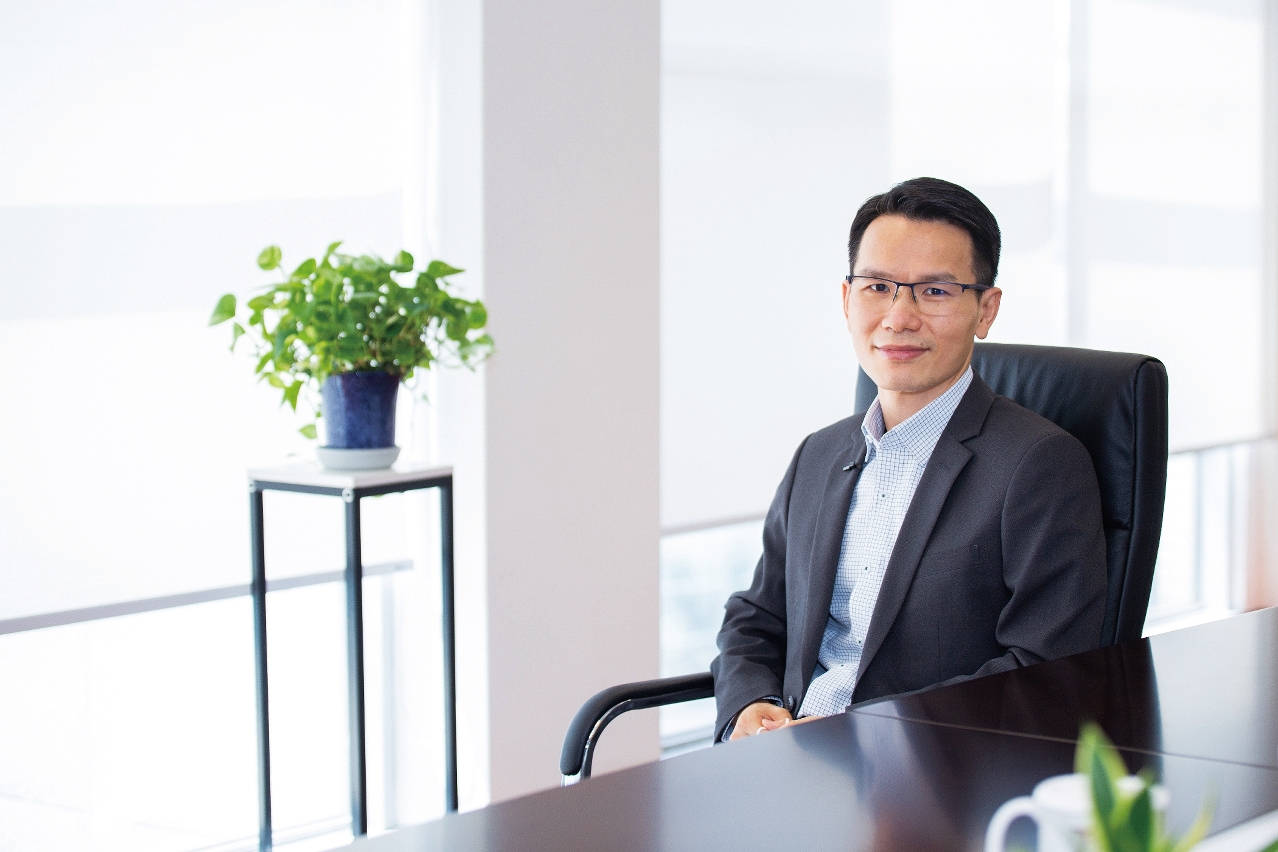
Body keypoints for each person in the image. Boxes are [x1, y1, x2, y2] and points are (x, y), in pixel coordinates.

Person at [711, 177, 1107, 743]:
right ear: (847, 300)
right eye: (878, 287)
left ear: (986, 310)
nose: (899, 317)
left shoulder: (1040, 466)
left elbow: (1044, 671)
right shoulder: (818, 455)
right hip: (787, 757)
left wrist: (864, 736)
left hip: (936, 776)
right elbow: (757, 617)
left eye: (935, 291)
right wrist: (750, 705)